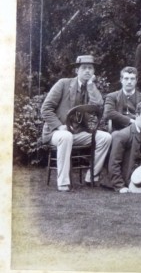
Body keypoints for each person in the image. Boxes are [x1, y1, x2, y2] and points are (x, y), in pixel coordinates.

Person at [40, 54, 112, 192]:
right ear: (76, 70)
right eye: (84, 68)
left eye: (90, 68)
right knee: (66, 136)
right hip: (56, 133)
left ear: (93, 72)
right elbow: (45, 109)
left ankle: (91, 177)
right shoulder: (63, 84)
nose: (87, 71)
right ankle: (63, 183)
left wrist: (91, 86)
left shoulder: (91, 88)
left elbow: (98, 106)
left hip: (78, 133)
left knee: (106, 138)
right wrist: (59, 126)